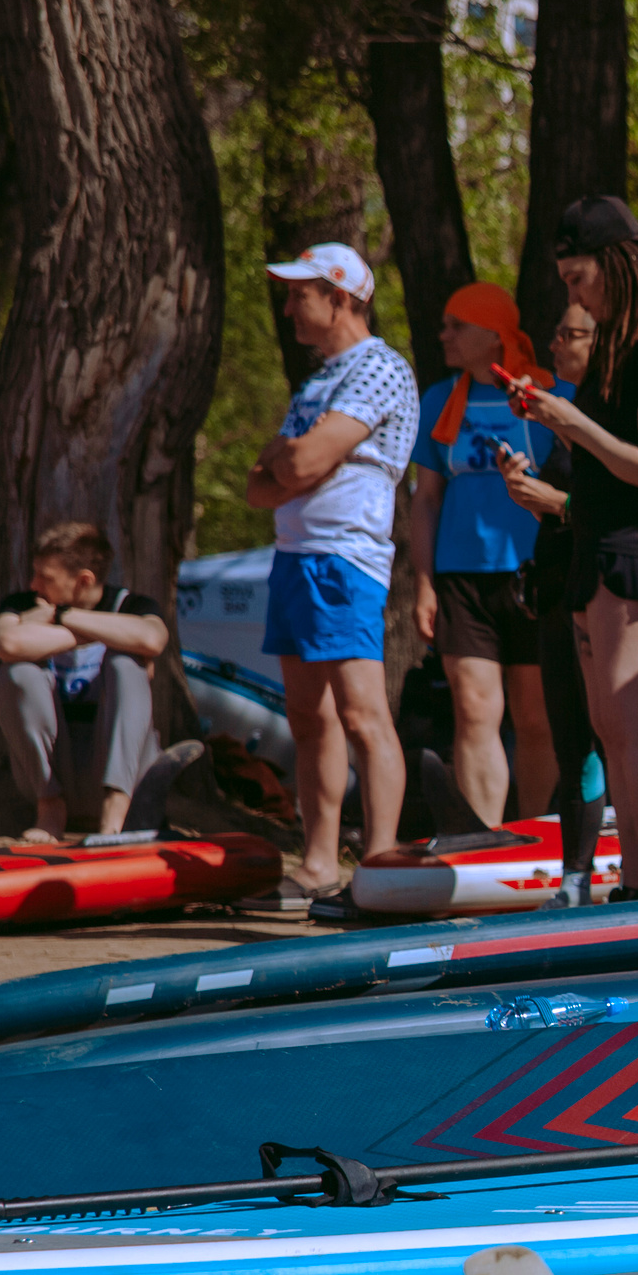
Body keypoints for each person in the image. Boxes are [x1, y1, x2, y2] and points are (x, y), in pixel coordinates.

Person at [512, 198, 638, 901]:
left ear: (616, 264)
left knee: (633, 723)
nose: (575, 296)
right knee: (609, 725)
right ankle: (634, 880)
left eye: (579, 279)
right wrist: (558, 422)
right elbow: (612, 456)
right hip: (595, 546)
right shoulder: (626, 344)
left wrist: (570, 420)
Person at [244, 242, 419, 913]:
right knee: (308, 718)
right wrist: (288, 458)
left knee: (361, 713)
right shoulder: (318, 379)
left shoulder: (380, 367)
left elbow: (298, 463)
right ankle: (317, 864)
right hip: (295, 557)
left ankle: (379, 866)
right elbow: (262, 487)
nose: (289, 307)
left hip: (345, 559)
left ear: (340, 297)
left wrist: (288, 458)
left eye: (300, 294)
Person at [411, 282, 562, 830]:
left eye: (457, 325)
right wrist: (424, 584)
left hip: (535, 573)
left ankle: (537, 836)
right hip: (461, 577)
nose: (444, 335)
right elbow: (426, 500)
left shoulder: (551, 397)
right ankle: (486, 842)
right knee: (474, 711)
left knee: (537, 717)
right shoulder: (439, 399)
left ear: (495, 335)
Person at [498, 303, 607, 907]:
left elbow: (623, 499)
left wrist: (555, 502)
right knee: (570, 737)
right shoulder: (570, 408)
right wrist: (531, 492)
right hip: (555, 586)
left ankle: (617, 875)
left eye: (571, 334)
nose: (556, 342)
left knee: (603, 735)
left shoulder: (615, 411)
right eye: (556, 331)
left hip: (600, 588)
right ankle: (574, 879)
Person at [0, 522, 167, 838]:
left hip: (120, 772)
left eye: (46, 577)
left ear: (83, 580)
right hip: (53, 772)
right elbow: (8, 644)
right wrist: (108, 633)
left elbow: (152, 638)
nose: (34, 585)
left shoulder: (132, 606)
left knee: (127, 663)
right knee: (17, 673)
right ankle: (50, 810)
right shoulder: (22, 604)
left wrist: (62, 617)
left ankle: (115, 815)